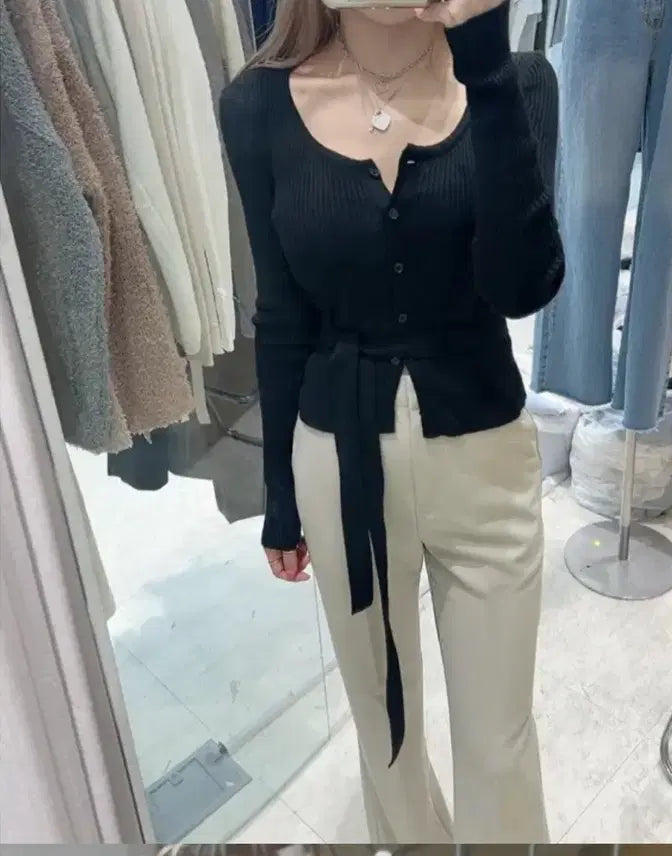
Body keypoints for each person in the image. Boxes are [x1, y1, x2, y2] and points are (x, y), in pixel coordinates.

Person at [220, 0, 563, 842]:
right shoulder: (257, 105)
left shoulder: (515, 81)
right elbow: (282, 314)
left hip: (484, 455)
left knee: (499, 744)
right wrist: (279, 499)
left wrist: (484, 62)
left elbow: (522, 286)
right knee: (384, 734)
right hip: (337, 464)